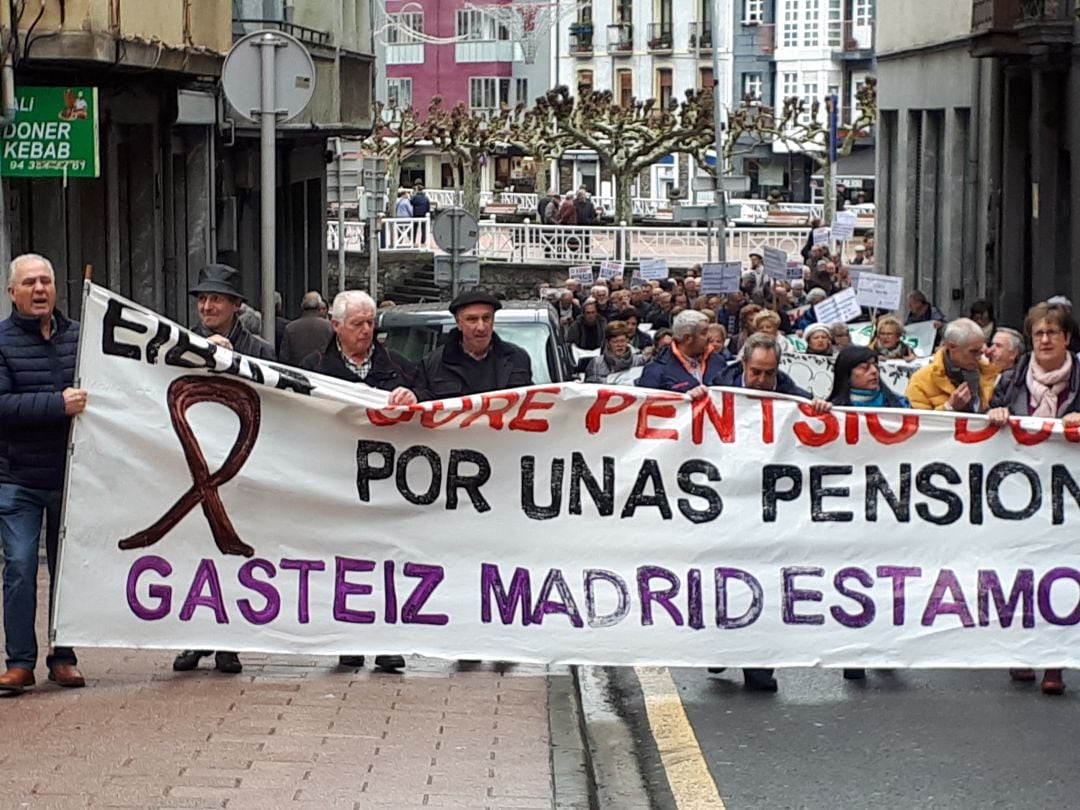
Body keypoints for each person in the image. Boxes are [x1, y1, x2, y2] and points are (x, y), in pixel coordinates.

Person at [300, 290, 416, 672]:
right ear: (335, 325)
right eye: (357, 324)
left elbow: (430, 407)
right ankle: (348, 639)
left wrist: (413, 396)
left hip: (385, 486)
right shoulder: (313, 368)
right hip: (338, 484)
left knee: (387, 561)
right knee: (345, 563)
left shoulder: (398, 367)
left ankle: (387, 643)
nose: (366, 331)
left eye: (370, 323)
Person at [713, 332, 831, 692]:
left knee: (762, 581)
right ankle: (718, 647)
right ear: (743, 365)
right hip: (726, 506)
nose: (763, 381)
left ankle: (758, 665)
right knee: (723, 580)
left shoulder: (793, 399)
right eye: (756, 373)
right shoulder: (716, 393)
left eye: (769, 373)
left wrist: (820, 412)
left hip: (771, 510)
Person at [173, 264, 275, 675]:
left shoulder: (261, 349)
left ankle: (229, 643)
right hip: (194, 462)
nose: (208, 305)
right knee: (194, 556)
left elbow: (271, 397)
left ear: (237, 306)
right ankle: (194, 639)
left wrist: (230, 363)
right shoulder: (179, 344)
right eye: (202, 299)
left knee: (234, 555)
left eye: (216, 299)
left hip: (239, 463)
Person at [0, 254, 86, 694]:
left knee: (67, 570)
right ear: (12, 292)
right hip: (19, 479)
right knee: (18, 566)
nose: (39, 289)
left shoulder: (81, 337)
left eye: (46, 281)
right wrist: (57, 404)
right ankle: (19, 662)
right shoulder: (1, 342)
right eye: (30, 282)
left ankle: (63, 656)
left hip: (72, 477)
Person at [988, 302, 1080, 696]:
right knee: (1021, 572)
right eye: (1038, 333)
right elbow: (981, 424)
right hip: (1019, 495)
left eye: (1052, 333)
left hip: (1069, 498)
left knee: (1061, 572)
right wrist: (993, 415)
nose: (1044, 340)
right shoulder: (1011, 381)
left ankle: (1053, 661)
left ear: (1067, 339)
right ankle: (1023, 650)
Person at [414, 291, 533, 401]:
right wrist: (412, 396)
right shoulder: (433, 364)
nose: (481, 327)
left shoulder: (517, 358)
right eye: (472, 319)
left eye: (486, 318)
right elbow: (423, 405)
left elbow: (531, 402)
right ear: (458, 323)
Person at [905, 318, 997, 412]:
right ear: (952, 347)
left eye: (981, 351)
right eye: (973, 352)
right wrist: (949, 407)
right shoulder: (920, 381)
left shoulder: (991, 373)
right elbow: (919, 422)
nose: (979, 357)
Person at [188, 264, 275, 361]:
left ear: (237, 304)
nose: (207, 307)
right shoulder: (183, 345)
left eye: (216, 299)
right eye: (202, 299)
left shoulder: (260, 351)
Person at [279, 291, 334, 367]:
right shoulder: (329, 327)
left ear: (302, 306)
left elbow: (284, 358)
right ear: (319, 306)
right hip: (322, 374)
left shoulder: (290, 328)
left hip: (297, 373)